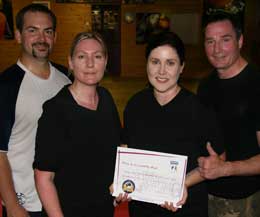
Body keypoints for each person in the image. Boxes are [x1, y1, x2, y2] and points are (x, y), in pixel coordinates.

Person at [120, 31, 225, 217]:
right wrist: (124, 180)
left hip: (186, 207)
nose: (161, 71)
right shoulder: (135, 104)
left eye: (170, 63)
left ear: (182, 67)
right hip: (142, 210)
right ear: (147, 64)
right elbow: (128, 148)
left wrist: (182, 184)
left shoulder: (199, 109)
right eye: (155, 62)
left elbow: (219, 158)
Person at [33, 31, 122, 217]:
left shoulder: (106, 99)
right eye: (82, 56)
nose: (90, 64)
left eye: (97, 56)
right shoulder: (55, 110)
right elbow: (43, 178)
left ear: (105, 62)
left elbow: (116, 150)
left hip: (103, 209)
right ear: (71, 62)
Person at [0, 3, 71, 217]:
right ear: (19, 36)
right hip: (26, 204)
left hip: (61, 198)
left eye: (47, 31)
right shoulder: (6, 86)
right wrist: (12, 204)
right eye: (33, 31)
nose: (42, 38)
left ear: (55, 37)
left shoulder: (66, 78)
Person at [197, 12, 260, 217]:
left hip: (243, 200)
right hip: (205, 194)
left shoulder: (256, 85)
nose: (217, 50)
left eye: (225, 40)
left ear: (240, 40)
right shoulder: (205, 86)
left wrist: (226, 169)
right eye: (210, 41)